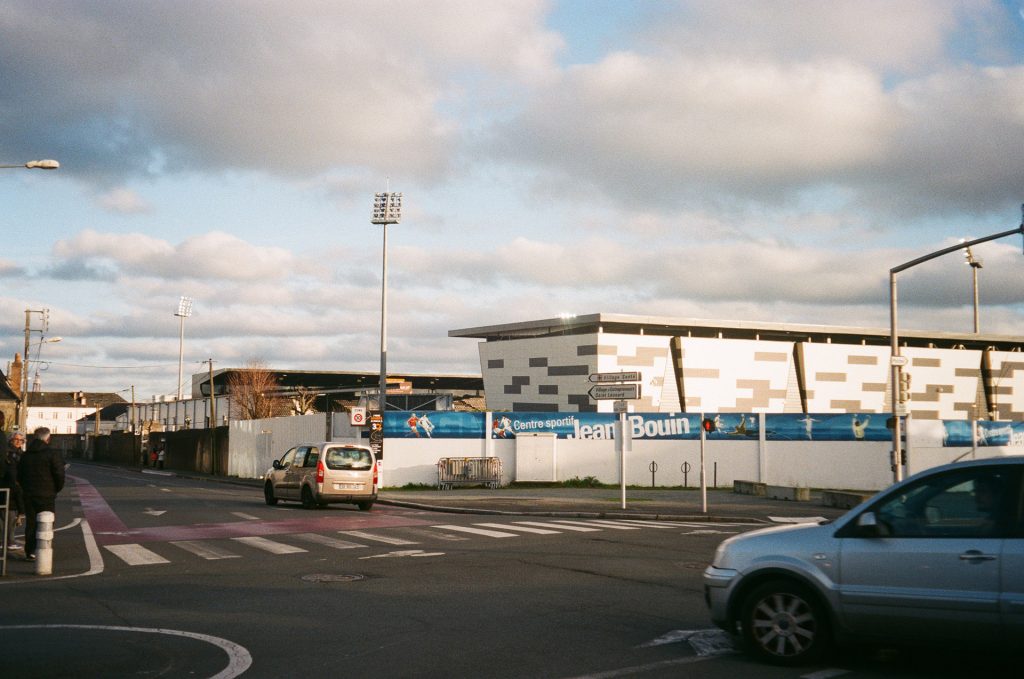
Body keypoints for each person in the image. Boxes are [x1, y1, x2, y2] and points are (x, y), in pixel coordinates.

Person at [17, 427, 65, 562]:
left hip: (29, 494)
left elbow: (19, 475)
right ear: (48, 439)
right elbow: (59, 474)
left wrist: (26, 488)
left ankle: (30, 551)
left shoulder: (26, 455)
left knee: (31, 523)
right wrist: (56, 488)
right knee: (46, 522)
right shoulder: (52, 454)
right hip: (47, 494)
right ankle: (44, 548)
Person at [2, 432, 26, 551]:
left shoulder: (20, 454)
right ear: (11, 440)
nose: (18, 442)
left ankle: (8, 540)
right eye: (16, 439)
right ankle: (9, 541)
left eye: (21, 440)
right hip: (10, 487)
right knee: (9, 516)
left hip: (15, 488)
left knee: (10, 516)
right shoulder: (8, 453)